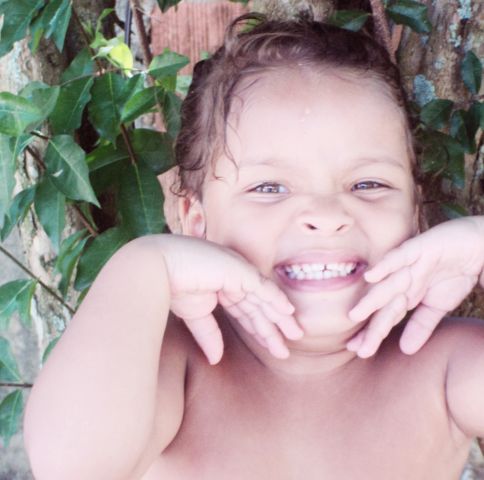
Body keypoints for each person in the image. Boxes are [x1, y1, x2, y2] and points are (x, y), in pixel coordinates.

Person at [23, 13, 484, 480]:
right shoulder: (178, 364)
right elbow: (74, 465)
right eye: (269, 188)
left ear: (414, 213)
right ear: (197, 224)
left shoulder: (446, 366)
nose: (326, 216)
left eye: (368, 183)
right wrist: (142, 266)